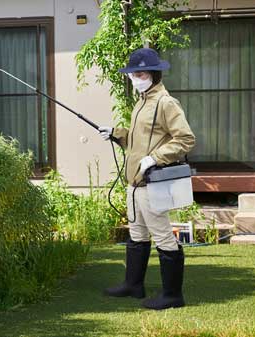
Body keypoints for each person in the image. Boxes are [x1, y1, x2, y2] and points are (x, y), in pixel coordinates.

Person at [98, 48, 196, 310]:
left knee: (164, 237)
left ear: (153, 74)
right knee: (137, 235)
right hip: (134, 184)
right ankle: (134, 285)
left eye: (139, 73)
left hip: (151, 183)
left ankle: (173, 296)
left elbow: (185, 139)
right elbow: (138, 137)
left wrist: (156, 157)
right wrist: (117, 133)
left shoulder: (166, 103)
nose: (134, 78)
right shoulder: (142, 101)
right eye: (132, 74)